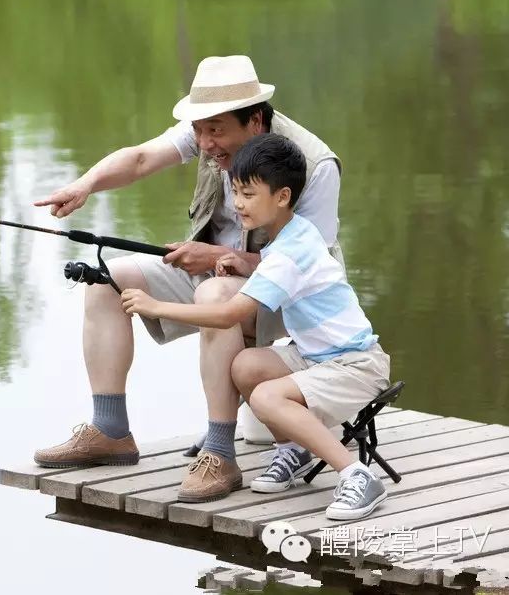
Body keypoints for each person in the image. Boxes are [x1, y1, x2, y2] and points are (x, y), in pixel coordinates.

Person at [31, 55, 344, 503]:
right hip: (212, 274)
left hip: (290, 298)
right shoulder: (209, 131)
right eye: (199, 130)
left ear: (254, 120)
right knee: (104, 279)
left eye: (215, 130)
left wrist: (216, 255)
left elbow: (310, 265)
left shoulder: (314, 165)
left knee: (216, 291)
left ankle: (219, 453)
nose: (205, 142)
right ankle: (110, 431)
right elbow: (140, 159)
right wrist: (84, 185)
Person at [120, 133, 391, 520]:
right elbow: (276, 267)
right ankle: (295, 449)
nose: (238, 204)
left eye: (248, 194)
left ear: (282, 197)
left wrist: (155, 305)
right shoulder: (291, 235)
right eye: (234, 192)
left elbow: (229, 315)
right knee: (245, 366)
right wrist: (245, 263)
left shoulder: (290, 250)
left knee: (266, 397)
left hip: (355, 366)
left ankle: (357, 476)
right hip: (318, 357)